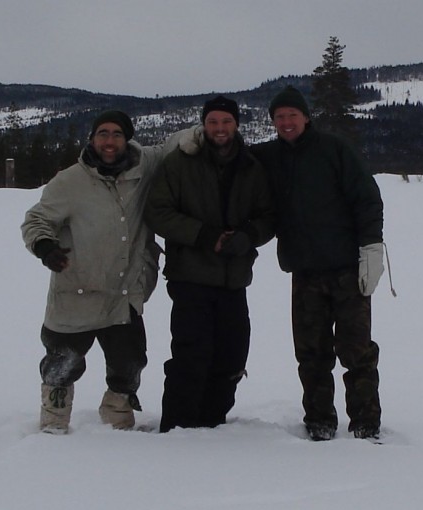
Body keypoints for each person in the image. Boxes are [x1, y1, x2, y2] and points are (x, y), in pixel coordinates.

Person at [21, 110, 172, 434]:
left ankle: (117, 416)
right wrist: (45, 247)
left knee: (130, 363)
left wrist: (208, 129)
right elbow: (37, 220)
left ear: (127, 139)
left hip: (124, 292)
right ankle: (54, 420)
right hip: (77, 289)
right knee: (62, 362)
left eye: (117, 134)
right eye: (103, 133)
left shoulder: (143, 166)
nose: (109, 141)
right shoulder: (70, 181)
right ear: (92, 138)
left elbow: (175, 144)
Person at [251, 86, 386, 441]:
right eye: (279, 117)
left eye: (292, 115)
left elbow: (366, 198)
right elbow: (228, 154)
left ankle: (366, 421)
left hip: (347, 268)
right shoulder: (268, 157)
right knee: (311, 353)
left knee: (357, 351)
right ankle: (319, 419)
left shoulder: (334, 149)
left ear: (306, 117)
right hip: (305, 271)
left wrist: (371, 246)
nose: (286, 122)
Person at [145, 95, 275, 433]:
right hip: (190, 275)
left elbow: (268, 215)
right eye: (213, 122)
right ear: (203, 125)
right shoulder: (179, 163)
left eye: (226, 121)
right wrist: (204, 236)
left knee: (232, 356)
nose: (220, 128)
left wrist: (248, 236)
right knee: (191, 354)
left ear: (237, 124)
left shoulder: (251, 167)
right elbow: (158, 212)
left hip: (234, 278)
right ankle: (179, 426)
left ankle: (213, 424)